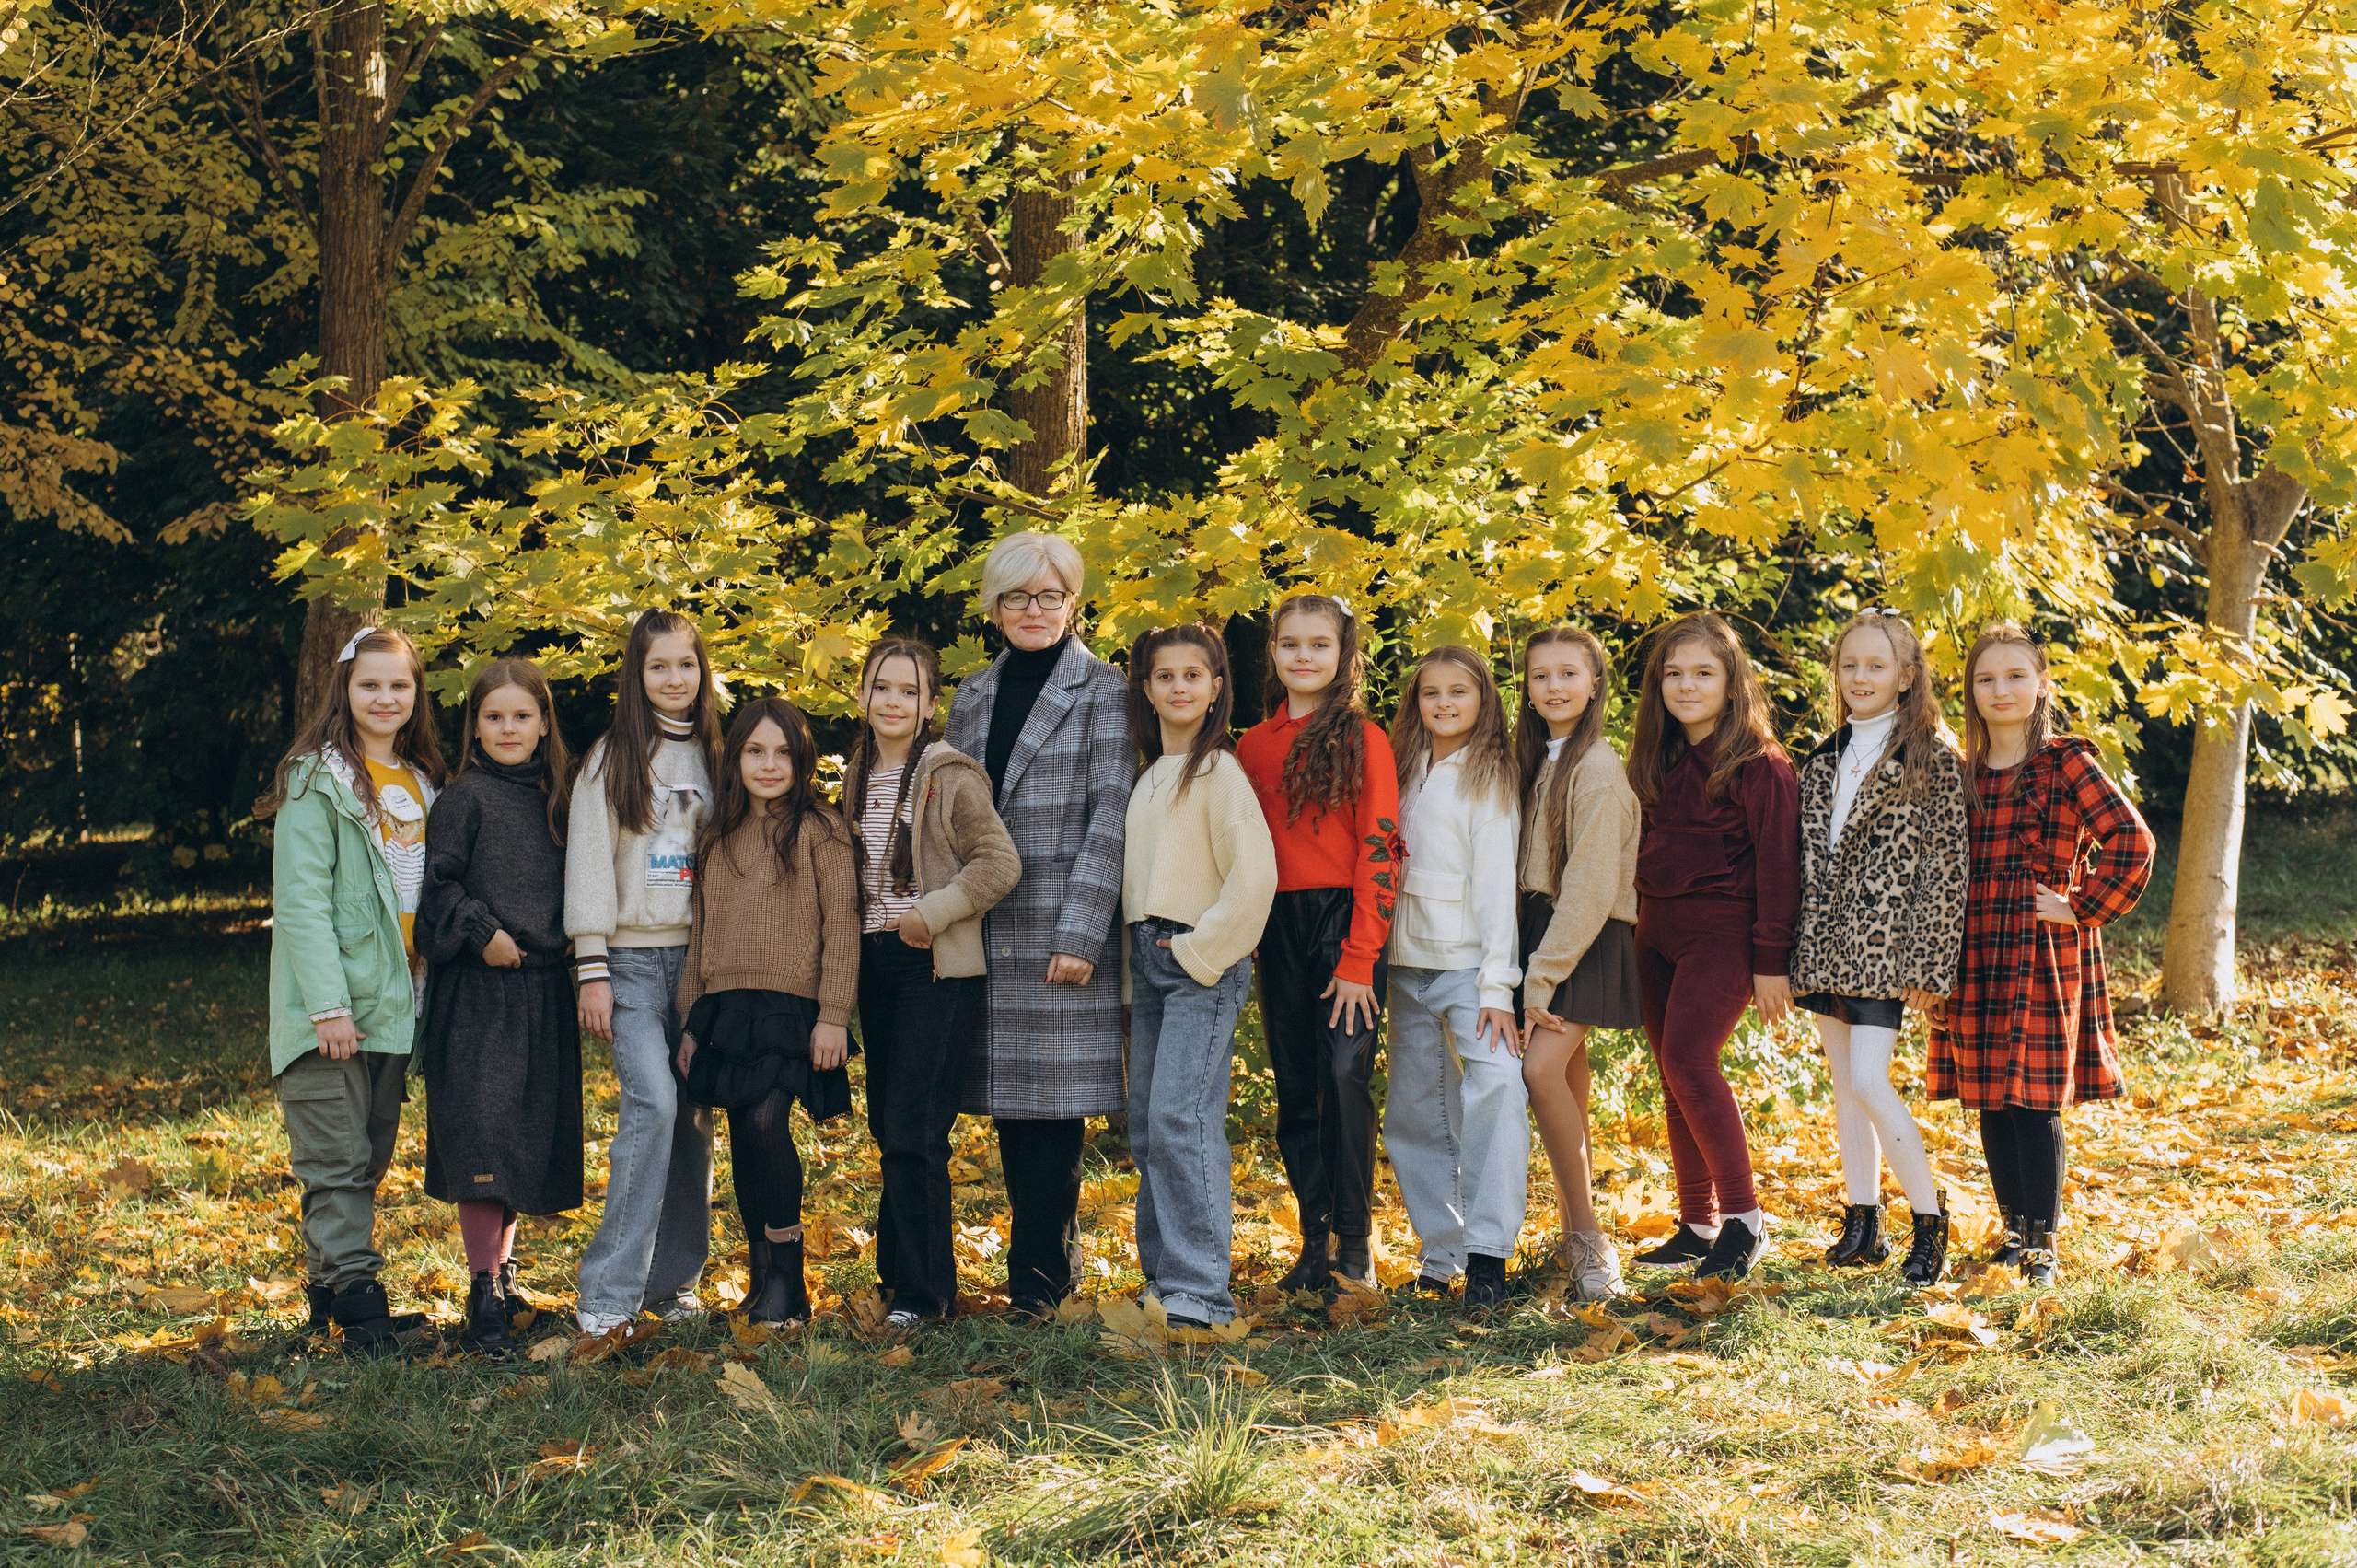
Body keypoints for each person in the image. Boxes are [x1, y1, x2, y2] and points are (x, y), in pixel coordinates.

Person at [943, 532, 1132, 1318]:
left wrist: (1082, 933)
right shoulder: (972, 695)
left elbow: (1112, 814)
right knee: (1013, 1110)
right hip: (986, 925)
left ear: (1072, 603)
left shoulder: (1106, 689)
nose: (1034, 609)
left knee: (1055, 1110)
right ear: (995, 606)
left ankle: (1039, 1282)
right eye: (1018, 596)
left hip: (1061, 925)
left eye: (1049, 595)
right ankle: (1048, 1263)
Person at [1929, 624, 2154, 1287]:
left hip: (2041, 949)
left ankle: (2043, 1245)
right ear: (1970, 690)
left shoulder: (2065, 763)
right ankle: (2013, 1233)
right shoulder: (1962, 773)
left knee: (2032, 1098)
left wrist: (2080, 904)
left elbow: (2131, 839)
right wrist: (1933, 967)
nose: (2001, 690)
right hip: (1972, 949)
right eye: (1986, 678)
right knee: (1990, 1097)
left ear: (2041, 684)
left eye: (2015, 676)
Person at [259, 626, 446, 1354]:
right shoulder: (317, 779)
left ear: (416, 693)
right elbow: (303, 901)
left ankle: (327, 1299)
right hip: (330, 1014)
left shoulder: (422, 778)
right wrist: (328, 1007)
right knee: (335, 1160)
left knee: (362, 1160)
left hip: (396, 1006)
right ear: (345, 689)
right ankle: (365, 1316)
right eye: (370, 684)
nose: (385, 697)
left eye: (399, 684)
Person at [845, 636, 1022, 1329]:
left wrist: (932, 912)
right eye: (881, 687)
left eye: (909, 691)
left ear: (929, 704)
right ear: (861, 693)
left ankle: (926, 1295)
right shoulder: (857, 772)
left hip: (934, 964)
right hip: (875, 962)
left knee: (915, 1124)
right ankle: (898, 1275)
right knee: (887, 1122)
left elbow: (999, 862)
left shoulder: (949, 773)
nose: (893, 701)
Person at [1790, 610, 1970, 1288]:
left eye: (1876, 665)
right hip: (1825, 943)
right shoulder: (1823, 759)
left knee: (1870, 1079)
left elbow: (1947, 867)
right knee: (1846, 1085)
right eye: (1849, 664)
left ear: (1906, 676)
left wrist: (1929, 963)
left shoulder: (1932, 757)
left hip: (1887, 948)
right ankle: (1863, 1221)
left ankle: (1930, 1219)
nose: (1860, 676)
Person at [675, 697, 861, 1329]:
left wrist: (833, 1013)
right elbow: (701, 935)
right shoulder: (717, 836)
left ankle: (788, 1276)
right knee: (742, 1134)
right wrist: (690, 1022)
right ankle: (760, 1281)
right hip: (726, 1008)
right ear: (735, 758)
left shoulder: (821, 830)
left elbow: (843, 924)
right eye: (755, 750)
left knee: (764, 1120)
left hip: (793, 1008)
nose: (769, 763)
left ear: (802, 759)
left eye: (783, 752)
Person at [1625, 612, 1800, 1282]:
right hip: (1654, 930)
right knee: (1673, 1076)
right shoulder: (1656, 757)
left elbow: (1780, 871)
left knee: (1691, 1061)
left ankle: (1745, 1220)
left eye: (1703, 672)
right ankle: (1698, 1222)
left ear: (1732, 683)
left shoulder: (1761, 765)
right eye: (1673, 673)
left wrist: (1771, 962)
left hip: (1723, 933)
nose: (1687, 685)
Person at [416, 657, 584, 1353]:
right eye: (494, 717)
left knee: (520, 1137)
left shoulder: (559, 802)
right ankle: (481, 1291)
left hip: (543, 992)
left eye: (521, 715)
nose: (508, 728)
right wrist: (482, 933)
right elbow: (437, 888)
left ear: (544, 723)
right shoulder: (464, 799)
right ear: (474, 728)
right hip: (480, 997)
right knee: (482, 1135)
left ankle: (506, 1278)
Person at [1236, 594, 1400, 1291]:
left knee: (1343, 1075)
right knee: (1297, 1085)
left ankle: (1355, 1243)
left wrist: (1360, 957)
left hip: (1344, 926)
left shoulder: (1366, 738)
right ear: (1273, 652)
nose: (1304, 656)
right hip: (1276, 926)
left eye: (1319, 644)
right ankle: (1313, 1241)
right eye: (1290, 644)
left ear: (1343, 655)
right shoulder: (1252, 745)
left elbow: (1381, 849)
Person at [1120, 625, 1279, 1330]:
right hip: (1148, 963)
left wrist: (1201, 953)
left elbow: (1254, 878)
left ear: (1217, 688)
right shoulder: (1149, 777)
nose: (1179, 686)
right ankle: (1163, 1280)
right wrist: (1138, 974)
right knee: (1148, 1128)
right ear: (1147, 689)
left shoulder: (1219, 772)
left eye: (1193, 675)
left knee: (1182, 1117)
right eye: (1165, 676)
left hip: (1197, 967)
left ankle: (1202, 1291)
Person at [568, 610, 722, 1336]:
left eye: (685, 664)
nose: (674, 678)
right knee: (653, 1104)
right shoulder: (612, 756)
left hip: (699, 961)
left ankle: (673, 1283)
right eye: (658, 666)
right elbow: (589, 863)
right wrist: (591, 965)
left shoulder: (718, 755)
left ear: (702, 671)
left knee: (692, 1118)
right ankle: (607, 1293)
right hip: (627, 961)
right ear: (637, 673)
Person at [1383, 645, 1526, 1308]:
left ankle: (1489, 1253)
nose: (1443, 703)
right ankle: (1442, 1252)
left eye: (1458, 692)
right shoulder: (1403, 767)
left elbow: (1497, 889)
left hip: (1469, 968)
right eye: (1430, 692)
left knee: (1496, 1086)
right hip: (1403, 964)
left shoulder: (1488, 776)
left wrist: (1499, 987)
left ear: (1483, 701)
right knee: (1416, 1111)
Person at [1513, 626, 1644, 1304]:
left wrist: (1540, 974)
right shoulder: (1538, 757)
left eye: (1569, 673)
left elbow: (1591, 886)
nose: (1554, 686)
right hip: (1542, 926)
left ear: (1595, 683)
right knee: (1567, 1077)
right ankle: (1572, 1235)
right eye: (1540, 675)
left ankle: (1590, 1239)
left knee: (1539, 1070)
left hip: (1581, 934)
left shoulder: (1595, 767)